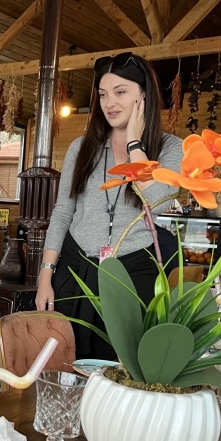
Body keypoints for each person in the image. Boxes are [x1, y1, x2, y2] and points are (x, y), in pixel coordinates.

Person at [35, 52, 183, 359]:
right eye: (103, 94)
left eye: (120, 92)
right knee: (65, 362)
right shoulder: (82, 147)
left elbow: (155, 202)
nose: (109, 103)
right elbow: (63, 212)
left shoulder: (171, 148)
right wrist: (46, 275)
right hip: (75, 269)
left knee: (119, 366)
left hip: (133, 271)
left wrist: (134, 143)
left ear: (143, 95)